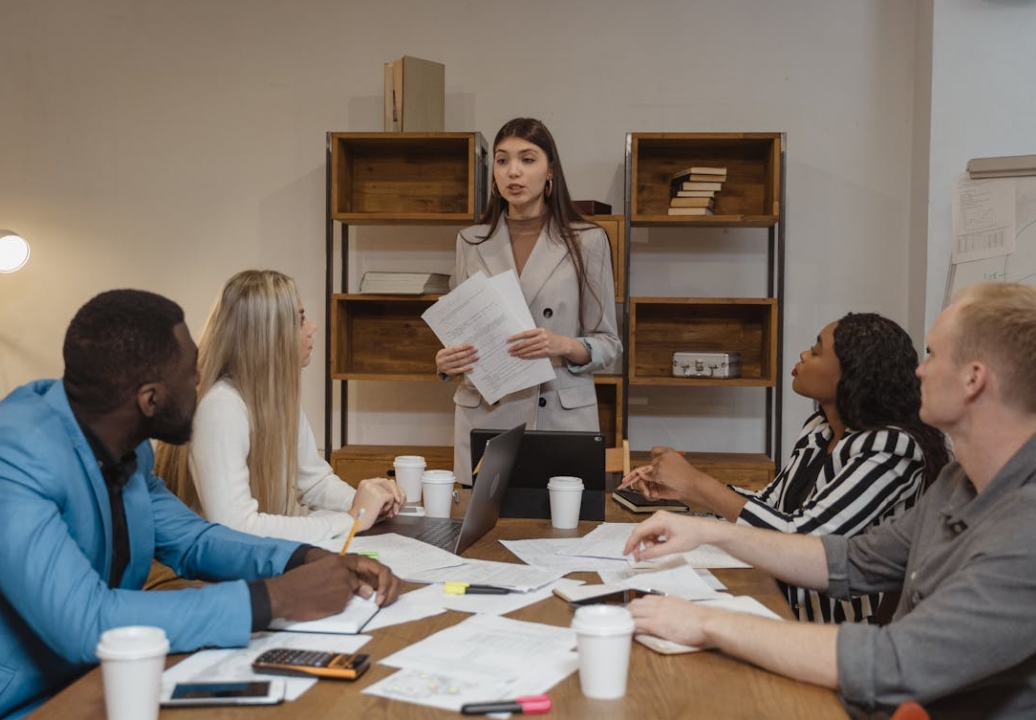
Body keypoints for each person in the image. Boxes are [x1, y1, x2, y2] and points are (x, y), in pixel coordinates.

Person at [0, 289, 402, 720]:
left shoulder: (122, 442)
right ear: (150, 398)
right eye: (191, 373)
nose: (201, 383)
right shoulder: (6, 460)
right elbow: (86, 622)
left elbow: (194, 540)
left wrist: (302, 560)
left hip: (91, 686)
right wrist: (277, 598)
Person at [623, 282, 1036, 719]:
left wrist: (706, 623)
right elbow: (850, 560)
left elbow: (896, 663)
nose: (920, 371)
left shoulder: (1025, 530)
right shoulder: (959, 481)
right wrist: (705, 529)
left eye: (933, 355)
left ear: (974, 378)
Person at [621, 313, 949, 622]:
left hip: (839, 630)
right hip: (782, 603)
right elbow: (770, 506)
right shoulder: (820, 429)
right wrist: (687, 493)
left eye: (817, 351)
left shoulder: (891, 448)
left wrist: (698, 484)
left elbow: (806, 541)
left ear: (851, 374)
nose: (803, 355)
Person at [435, 117, 621, 484]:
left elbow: (609, 344)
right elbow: (461, 330)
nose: (513, 171)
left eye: (527, 159)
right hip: (487, 415)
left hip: (557, 415)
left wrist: (561, 343)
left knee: (560, 536)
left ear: (550, 170)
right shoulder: (470, 242)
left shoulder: (588, 240)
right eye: (502, 161)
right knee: (480, 537)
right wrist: (446, 361)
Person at [156, 270, 405, 543]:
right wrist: (352, 518)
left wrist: (370, 502)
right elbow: (236, 526)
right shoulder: (220, 407)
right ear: (269, 334)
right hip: (213, 569)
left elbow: (315, 483)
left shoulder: (275, 397)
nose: (312, 327)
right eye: (299, 320)